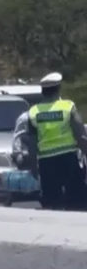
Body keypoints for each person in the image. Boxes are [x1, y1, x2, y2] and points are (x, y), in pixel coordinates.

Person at [26, 72, 87, 210]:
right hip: (68, 159)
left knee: (51, 202)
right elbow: (81, 135)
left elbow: (31, 142)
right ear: (58, 88)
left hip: (46, 162)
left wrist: (32, 167)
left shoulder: (33, 112)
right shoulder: (68, 106)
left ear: (43, 91)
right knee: (77, 199)